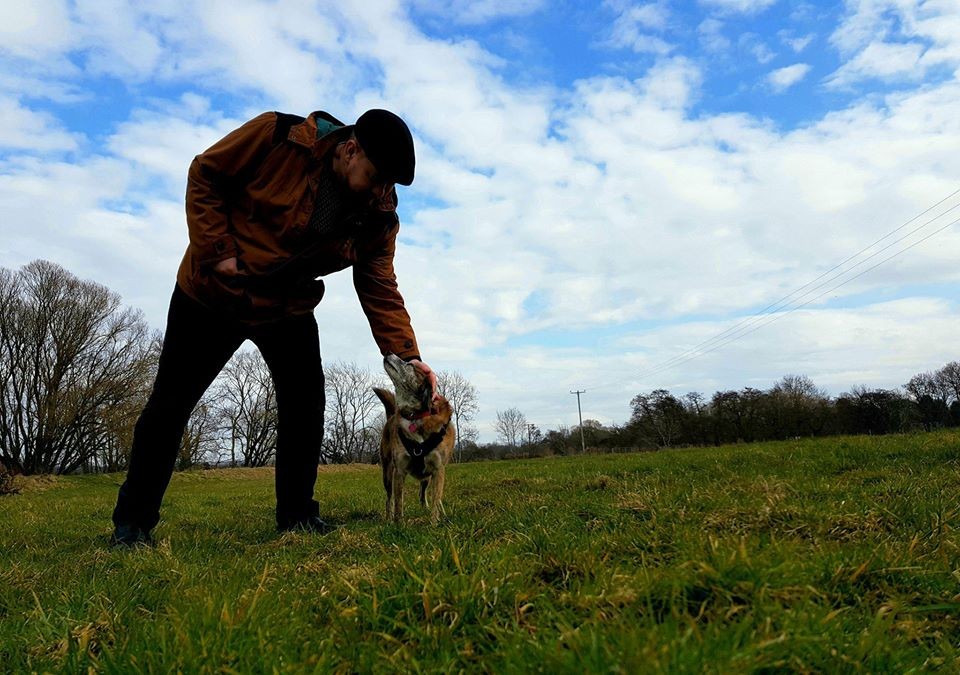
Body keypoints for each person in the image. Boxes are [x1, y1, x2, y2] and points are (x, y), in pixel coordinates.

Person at [110, 108, 437, 546]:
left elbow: (378, 282)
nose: (382, 191)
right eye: (378, 177)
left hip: (286, 305)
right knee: (170, 405)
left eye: (390, 184)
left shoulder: (377, 215)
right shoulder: (279, 137)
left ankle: (297, 516)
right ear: (350, 148)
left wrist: (408, 356)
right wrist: (218, 251)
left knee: (306, 405)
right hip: (213, 293)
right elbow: (205, 174)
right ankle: (133, 523)